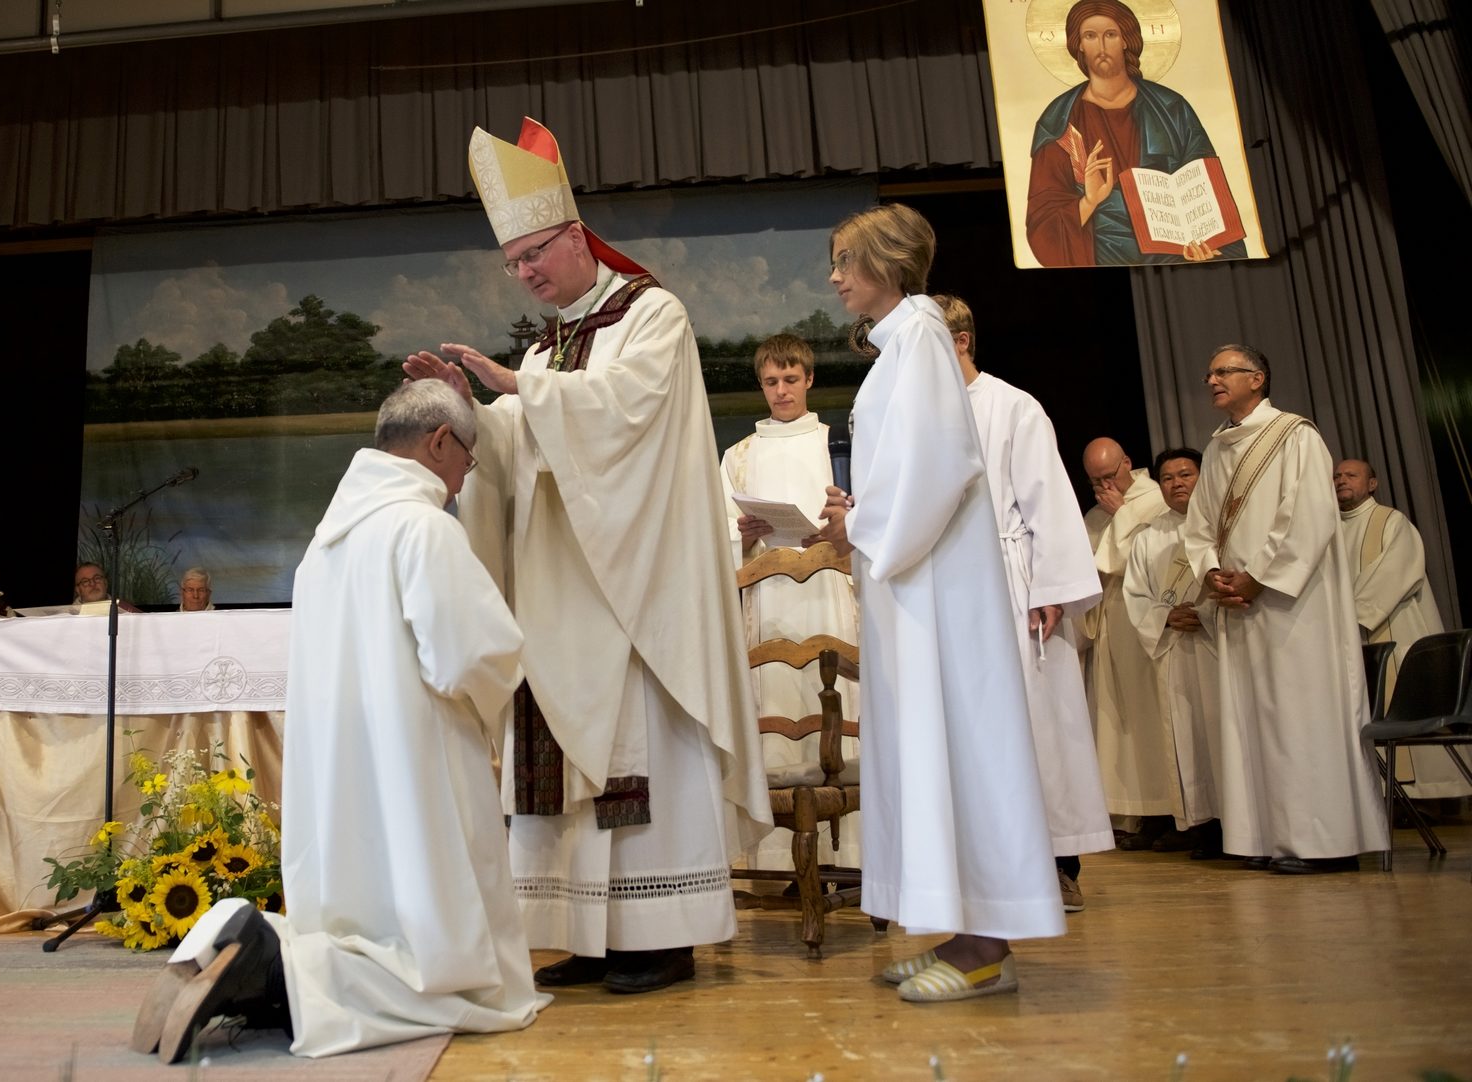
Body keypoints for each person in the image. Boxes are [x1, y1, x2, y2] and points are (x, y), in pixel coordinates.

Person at [401, 117, 769, 995]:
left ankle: (661, 935)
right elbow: (522, 448)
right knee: (556, 764)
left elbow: (624, 412)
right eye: (513, 264)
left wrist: (519, 387)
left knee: (633, 745)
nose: (526, 272)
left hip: (631, 590)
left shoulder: (653, 315)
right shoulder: (542, 347)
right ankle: (586, 935)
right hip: (555, 595)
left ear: (574, 236)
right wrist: (472, 412)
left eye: (535, 253)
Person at [138, 380, 547, 1064]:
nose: (462, 481)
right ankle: (277, 964)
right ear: (440, 441)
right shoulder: (423, 528)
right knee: (450, 968)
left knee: (362, 917)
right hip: (417, 759)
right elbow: (469, 655)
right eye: (467, 463)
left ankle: (232, 955)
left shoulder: (324, 544)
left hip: (340, 767)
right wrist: (516, 660)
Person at [817, 204, 1063, 1002]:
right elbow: (908, 467)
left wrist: (861, 523)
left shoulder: (919, 335)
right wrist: (859, 516)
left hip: (937, 592)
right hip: (917, 581)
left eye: (846, 260)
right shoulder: (904, 343)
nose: (835, 276)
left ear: (887, 264)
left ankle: (986, 948)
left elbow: (940, 464)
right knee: (934, 752)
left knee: (958, 745)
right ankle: (963, 936)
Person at [1180, 345, 1388, 873]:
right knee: (1253, 721)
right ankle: (1269, 836)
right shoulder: (1219, 446)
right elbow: (1200, 524)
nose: (1212, 380)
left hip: (1295, 608)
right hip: (1239, 604)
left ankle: (1323, 842)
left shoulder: (1295, 436)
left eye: (1224, 371)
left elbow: (1309, 518)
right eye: (1210, 373)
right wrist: (1211, 573)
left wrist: (1257, 578)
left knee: (1301, 719)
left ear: (1258, 377)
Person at [937, 295, 1112, 912]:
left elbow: (1050, 503)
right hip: (952, 593)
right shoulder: (925, 411)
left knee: (1039, 726)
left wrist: (1052, 589)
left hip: (1017, 588)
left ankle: (1059, 861)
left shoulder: (1014, 407)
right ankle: (982, 869)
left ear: (960, 341)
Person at [719, 333, 861, 873]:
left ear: (809, 379)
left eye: (791, 380)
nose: (781, 391)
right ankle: (778, 862)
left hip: (830, 597)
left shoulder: (836, 444)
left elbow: (862, 510)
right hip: (768, 600)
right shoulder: (740, 455)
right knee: (776, 704)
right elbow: (719, 531)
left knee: (834, 703)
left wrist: (845, 514)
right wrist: (745, 531)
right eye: (771, 382)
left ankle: (849, 857)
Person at [1023, 0, 1246, 266]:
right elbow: (1043, 223)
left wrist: (1204, 241)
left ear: (1126, 40)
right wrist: (1090, 201)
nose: (1102, 47)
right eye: (1090, 36)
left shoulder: (1171, 107)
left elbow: (1205, 188)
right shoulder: (1059, 121)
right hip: (1103, 257)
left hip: (1174, 252)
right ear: (1079, 44)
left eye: (1111, 34)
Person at [1336, 459, 1468, 800]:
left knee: (1401, 703)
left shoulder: (1391, 521)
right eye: (1336, 476)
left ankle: (1426, 795)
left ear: (1373, 483)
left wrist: (1345, 616)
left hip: (1392, 628)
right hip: (1348, 637)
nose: (1341, 480)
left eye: (1351, 475)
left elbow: (1395, 573)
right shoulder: (1329, 530)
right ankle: (1379, 795)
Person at [1121, 449, 1224, 859]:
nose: (1177, 483)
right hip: (1175, 651)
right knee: (1187, 739)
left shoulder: (1222, 527)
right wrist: (1166, 616)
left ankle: (1237, 825)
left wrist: (1206, 613)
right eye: (1167, 477)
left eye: (1185, 474)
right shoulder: (1148, 537)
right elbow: (1136, 595)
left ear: (1203, 476)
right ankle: (1201, 826)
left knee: (1222, 734)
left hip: (1218, 647)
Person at [1082, 435, 1179, 848]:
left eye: (1109, 476)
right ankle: (1131, 814)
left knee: (1149, 720)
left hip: (1146, 623)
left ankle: (1166, 813)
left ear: (1127, 464)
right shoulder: (1097, 512)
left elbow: (1145, 557)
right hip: (1109, 621)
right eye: (1095, 481)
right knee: (1116, 722)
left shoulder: (1155, 502)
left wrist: (1121, 515)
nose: (1105, 488)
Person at [73, 562, 140, 613]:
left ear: (105, 583)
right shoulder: (67, 617)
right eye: (85, 581)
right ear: (78, 590)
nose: (92, 584)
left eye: (97, 578)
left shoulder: (127, 610)